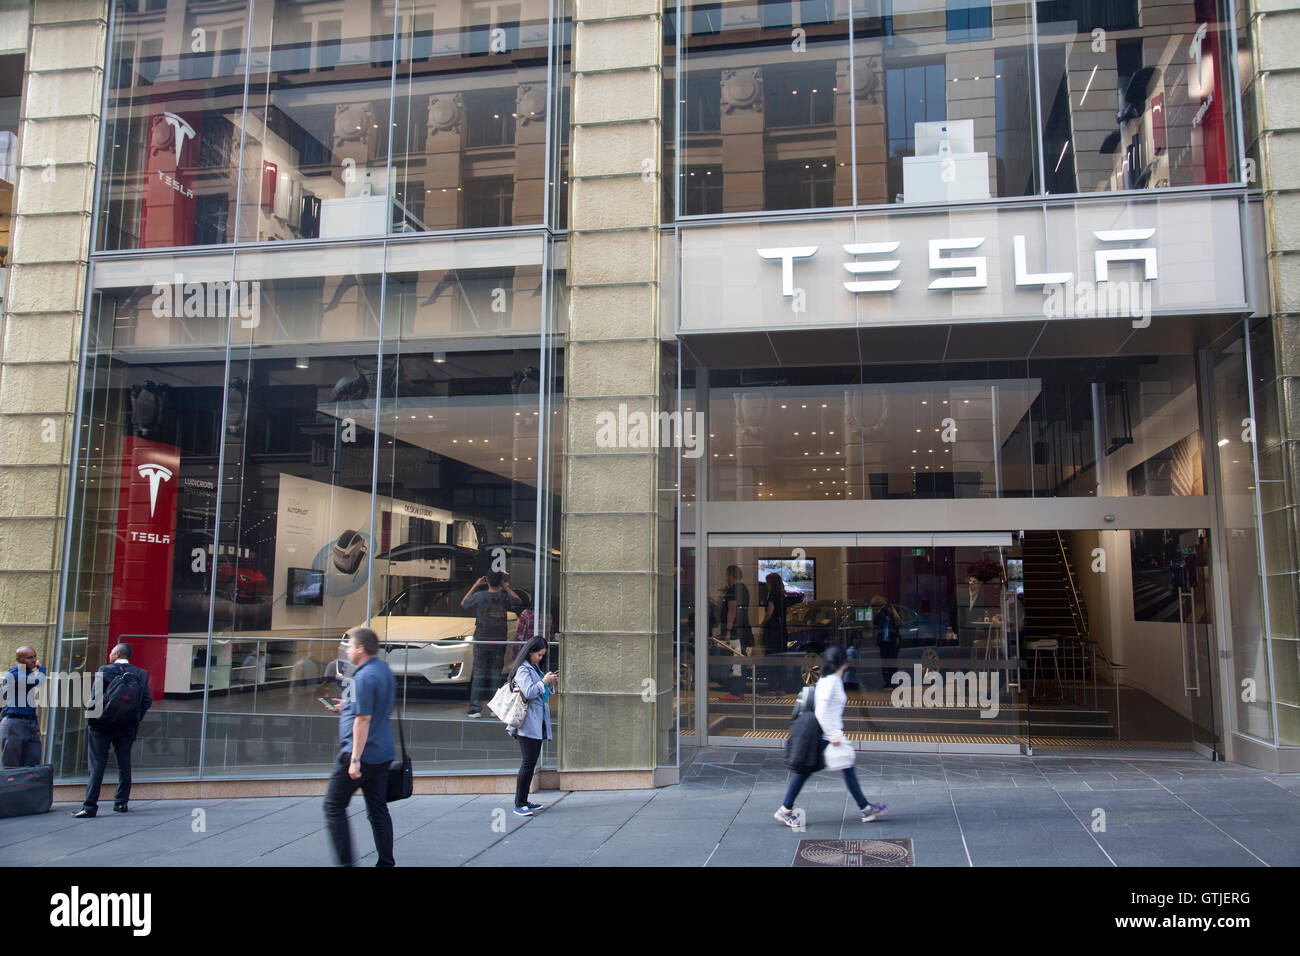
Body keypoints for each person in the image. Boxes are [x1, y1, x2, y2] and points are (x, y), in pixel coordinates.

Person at [774, 645, 888, 828]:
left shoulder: (829, 679)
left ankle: (865, 808)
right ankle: (785, 810)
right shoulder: (831, 682)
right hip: (827, 736)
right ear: (842, 662)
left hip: (827, 735)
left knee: (825, 770)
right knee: (811, 771)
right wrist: (834, 736)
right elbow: (822, 712)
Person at [323, 626, 396, 866]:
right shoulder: (382, 669)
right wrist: (346, 707)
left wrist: (354, 759)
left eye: (350, 646)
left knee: (333, 806)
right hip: (382, 752)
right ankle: (386, 862)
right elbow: (370, 707)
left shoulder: (364, 676)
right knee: (378, 810)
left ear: (361, 648)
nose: (347, 650)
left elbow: (363, 719)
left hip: (361, 754)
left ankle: (346, 863)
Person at [74, 643, 152, 817]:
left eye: (111, 652)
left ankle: (90, 806)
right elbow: (147, 700)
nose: (110, 655)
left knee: (97, 764)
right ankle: (121, 803)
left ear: (116, 654)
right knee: (124, 763)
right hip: (127, 726)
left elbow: (95, 698)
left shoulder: (105, 670)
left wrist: (92, 721)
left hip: (102, 726)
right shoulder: (141, 673)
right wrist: (135, 717)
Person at [506, 635, 556, 817]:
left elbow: (542, 693)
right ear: (531, 652)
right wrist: (544, 682)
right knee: (527, 763)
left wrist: (550, 683)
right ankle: (519, 803)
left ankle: (525, 800)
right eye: (539, 655)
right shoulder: (523, 670)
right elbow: (529, 692)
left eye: (543, 656)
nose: (540, 658)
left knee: (531, 762)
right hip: (527, 723)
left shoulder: (533, 668)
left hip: (537, 721)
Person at [462, 571, 522, 718]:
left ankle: (475, 708)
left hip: (482, 640)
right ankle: (495, 708)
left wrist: (476, 585)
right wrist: (505, 587)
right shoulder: (504, 598)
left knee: (479, 673)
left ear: (487, 581)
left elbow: (464, 603)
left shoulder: (480, 596)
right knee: (496, 674)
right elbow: (518, 600)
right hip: (498, 641)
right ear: (500, 582)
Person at [2, 646, 46, 767]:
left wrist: (36, 723)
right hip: (14, 722)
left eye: (34, 656)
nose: (33, 660)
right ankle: (10, 786)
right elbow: (39, 681)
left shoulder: (28, 674)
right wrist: (41, 668)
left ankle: (28, 786)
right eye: (29, 658)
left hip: (29, 723)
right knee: (12, 765)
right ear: (19, 659)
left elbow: (30, 703)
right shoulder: (14, 674)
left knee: (33, 761)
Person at [720, 565, 753, 700]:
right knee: (740, 660)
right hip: (744, 629)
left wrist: (728, 630)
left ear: (731, 575)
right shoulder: (744, 589)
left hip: (735, 631)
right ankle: (737, 690)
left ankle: (736, 692)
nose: (726, 578)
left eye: (727, 575)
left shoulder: (733, 590)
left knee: (736, 662)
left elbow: (732, 610)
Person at [759, 572, 788, 695]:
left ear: (772, 584)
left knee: (771, 660)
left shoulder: (772, 597)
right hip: (782, 632)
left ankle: (771, 688)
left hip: (772, 632)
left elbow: (769, 614)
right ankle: (780, 687)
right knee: (780, 661)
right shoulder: (782, 596)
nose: (766, 585)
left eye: (767, 583)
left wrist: (762, 624)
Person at [873, 596, 902, 689]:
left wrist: (891, 610)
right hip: (883, 641)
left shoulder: (891, 611)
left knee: (893, 662)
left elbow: (898, 621)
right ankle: (887, 682)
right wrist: (879, 611)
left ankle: (894, 682)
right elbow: (875, 622)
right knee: (885, 663)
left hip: (892, 640)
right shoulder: (880, 613)